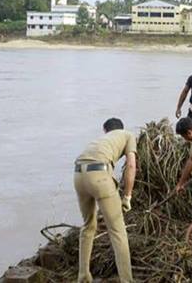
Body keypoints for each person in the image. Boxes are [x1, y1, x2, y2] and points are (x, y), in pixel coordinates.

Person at [73, 118, 137, 283]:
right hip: (99, 175)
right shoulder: (128, 135)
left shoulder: (100, 141)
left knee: (88, 225)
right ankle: (127, 280)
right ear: (121, 128)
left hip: (78, 174)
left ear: (105, 130)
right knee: (117, 231)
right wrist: (127, 196)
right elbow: (131, 166)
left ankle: (83, 276)